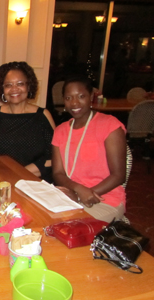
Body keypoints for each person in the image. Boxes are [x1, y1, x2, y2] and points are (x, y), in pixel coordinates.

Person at [52, 76, 127, 222]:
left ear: (91, 97)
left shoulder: (110, 125)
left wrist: (85, 194)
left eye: (81, 96)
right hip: (71, 197)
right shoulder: (60, 131)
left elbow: (118, 175)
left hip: (104, 199)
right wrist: (77, 191)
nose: (74, 102)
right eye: (68, 97)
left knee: (68, 227)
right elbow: (58, 173)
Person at [0, 61, 55, 182]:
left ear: (29, 86)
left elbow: (54, 157)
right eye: (8, 85)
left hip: (32, 182)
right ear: (2, 89)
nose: (14, 89)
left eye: (20, 84)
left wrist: (18, 174)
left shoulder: (42, 116)